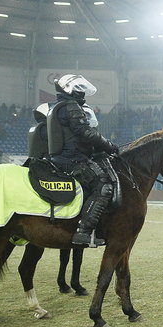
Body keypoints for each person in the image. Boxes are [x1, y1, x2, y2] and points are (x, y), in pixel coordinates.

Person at [47, 74, 120, 247]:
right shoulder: (71, 105)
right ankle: (83, 232)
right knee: (104, 185)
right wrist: (109, 145)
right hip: (72, 160)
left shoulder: (61, 105)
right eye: (79, 90)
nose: (82, 94)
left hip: (63, 157)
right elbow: (86, 132)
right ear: (69, 89)